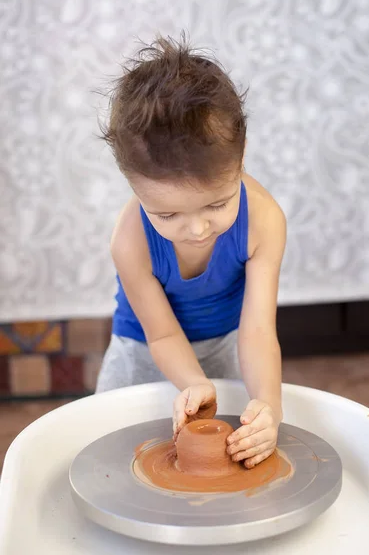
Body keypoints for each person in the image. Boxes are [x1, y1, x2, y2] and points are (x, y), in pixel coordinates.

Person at [96, 35, 286, 469]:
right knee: (109, 457)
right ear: (133, 187)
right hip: (143, 349)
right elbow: (161, 335)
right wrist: (192, 381)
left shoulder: (264, 220)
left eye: (217, 205)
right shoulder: (130, 241)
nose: (197, 229)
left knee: (234, 450)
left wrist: (269, 405)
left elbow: (258, 330)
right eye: (166, 215)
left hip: (229, 343)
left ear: (239, 163)